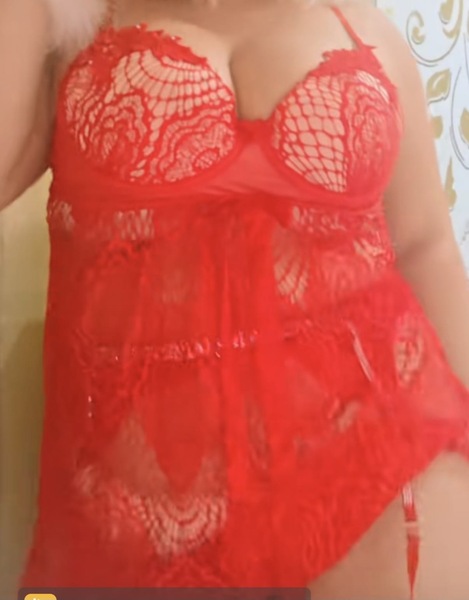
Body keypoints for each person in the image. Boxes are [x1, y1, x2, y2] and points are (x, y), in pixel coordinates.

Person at [2, 0, 469, 597]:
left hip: (378, 478)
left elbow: (426, 247)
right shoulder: (79, 30)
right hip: (150, 523)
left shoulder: (361, 24)